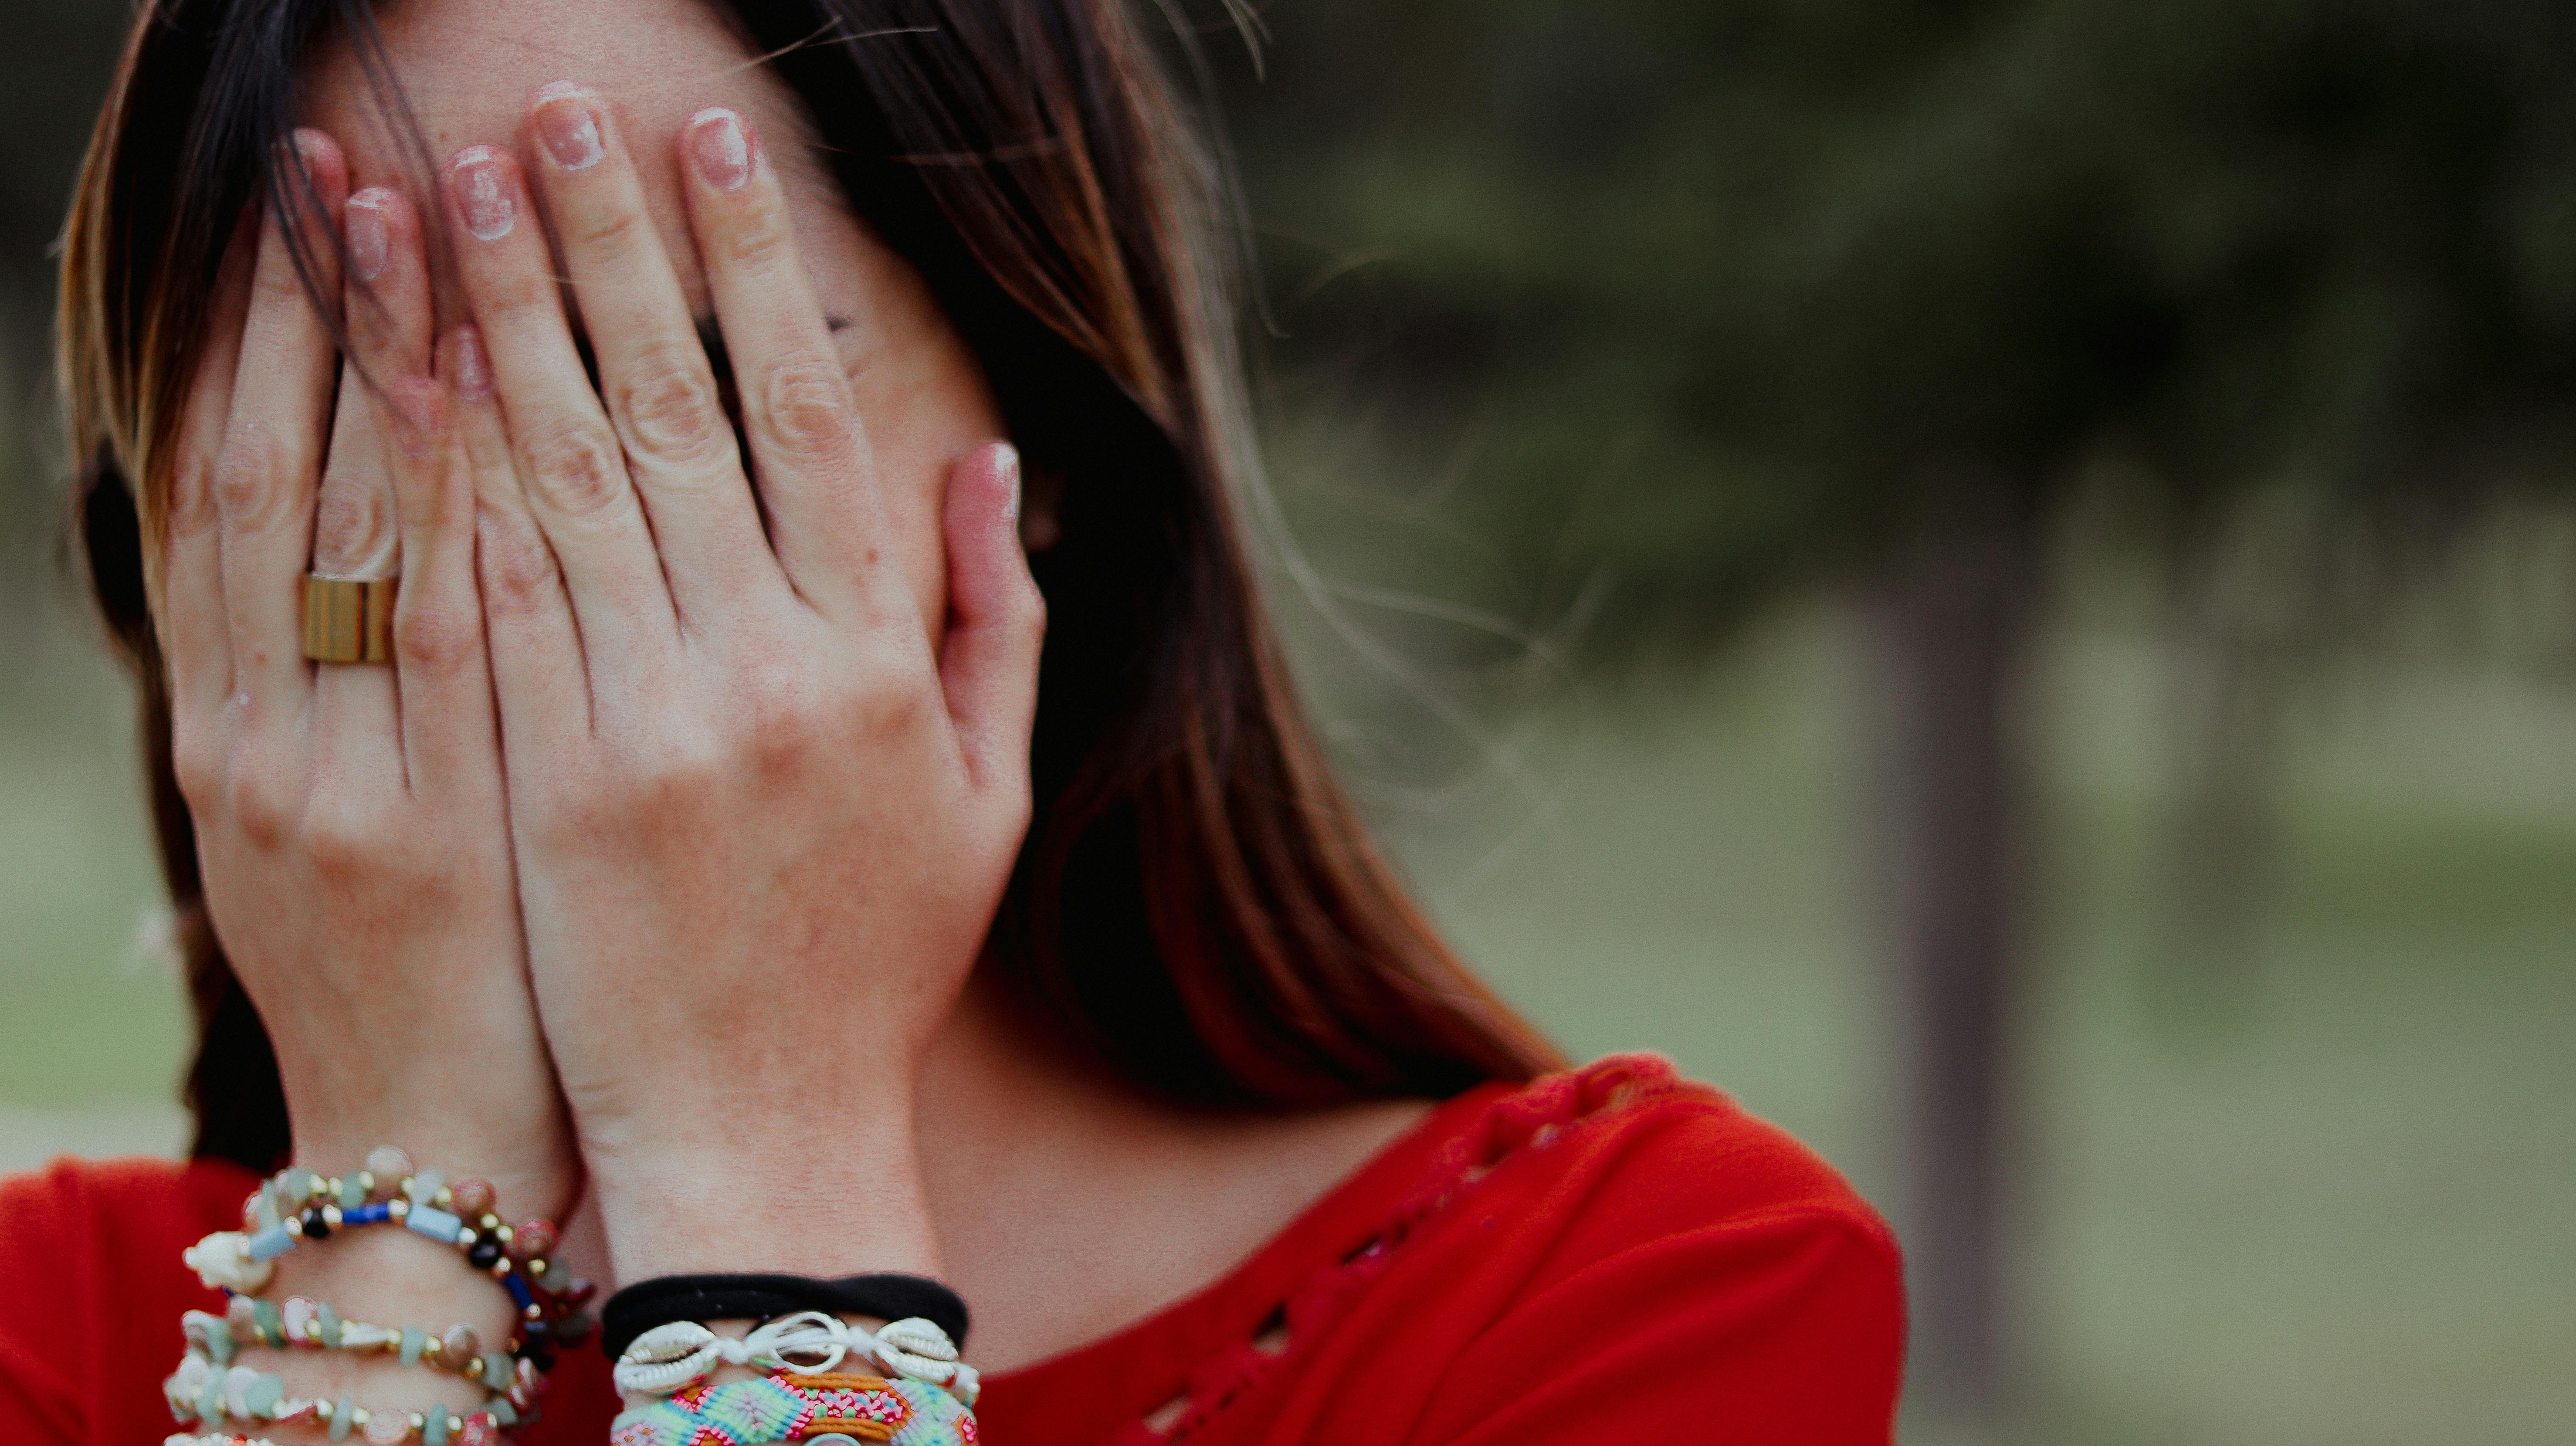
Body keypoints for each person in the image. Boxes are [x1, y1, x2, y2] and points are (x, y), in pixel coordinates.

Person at [1, 0, 1904, 1441]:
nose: (519, 542)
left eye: (666, 367)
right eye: (350, 397)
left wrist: (765, 1177)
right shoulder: (53, 1337)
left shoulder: (1615, 1293)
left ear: (1041, 449)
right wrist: (393, 1230)